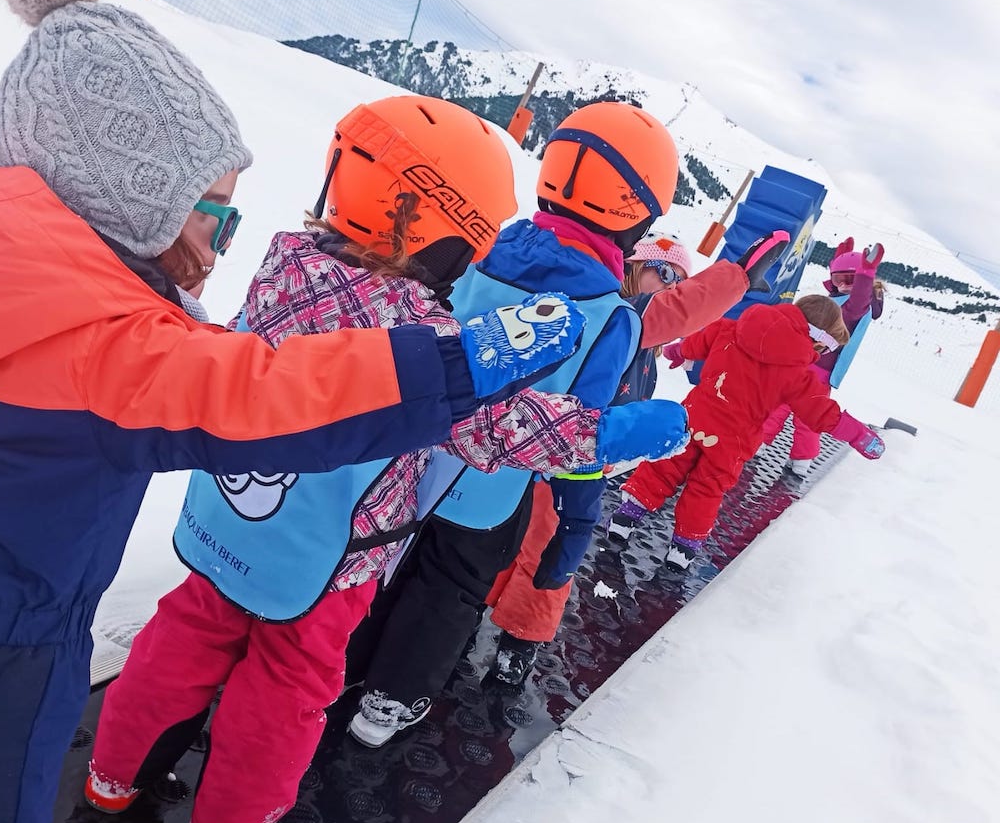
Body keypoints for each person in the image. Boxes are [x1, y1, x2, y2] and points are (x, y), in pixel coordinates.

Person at [0, 0, 585, 823]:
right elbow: (263, 395)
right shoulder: (113, 350)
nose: (222, 243)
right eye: (213, 212)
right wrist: (450, 367)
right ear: (127, 198)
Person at [81, 96, 690, 823]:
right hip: (332, 558)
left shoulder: (283, 266)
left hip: (226, 527)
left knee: (185, 632)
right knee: (287, 690)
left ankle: (113, 780)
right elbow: (491, 428)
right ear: (441, 230)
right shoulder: (420, 338)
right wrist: (606, 435)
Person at [346, 102, 792, 747]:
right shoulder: (608, 312)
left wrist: (727, 279)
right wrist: (578, 518)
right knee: (451, 588)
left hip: (415, 458)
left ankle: (348, 667)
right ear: (635, 207)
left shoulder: (488, 251)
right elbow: (578, 433)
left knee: (395, 562)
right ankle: (392, 702)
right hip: (497, 488)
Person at [477, 232, 789, 685]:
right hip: (547, 449)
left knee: (548, 557)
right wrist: (734, 277)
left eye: (678, 278)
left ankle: (518, 643)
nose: (669, 285)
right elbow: (680, 309)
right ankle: (479, 616)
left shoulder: (646, 349)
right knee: (510, 542)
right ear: (631, 269)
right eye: (661, 273)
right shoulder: (622, 317)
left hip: (580, 464)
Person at [610, 294, 887, 570]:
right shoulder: (797, 374)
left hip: (692, 417)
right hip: (733, 441)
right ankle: (682, 550)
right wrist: (857, 434)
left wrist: (677, 352)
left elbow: (698, 342)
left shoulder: (732, 328)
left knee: (664, 465)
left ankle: (626, 518)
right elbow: (821, 412)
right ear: (815, 338)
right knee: (707, 488)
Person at [762, 236, 886, 476]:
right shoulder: (838, 300)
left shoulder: (854, 308)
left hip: (818, 369)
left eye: (850, 279)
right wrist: (837, 264)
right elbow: (832, 299)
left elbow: (858, 298)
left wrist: (865, 273)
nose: (842, 285)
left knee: (800, 412)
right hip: (806, 364)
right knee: (784, 406)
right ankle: (781, 450)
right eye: (838, 279)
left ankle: (786, 452)